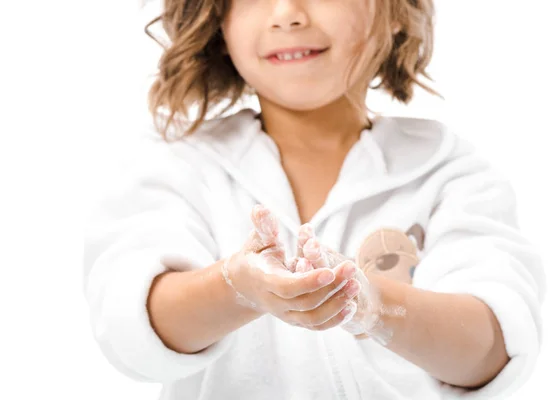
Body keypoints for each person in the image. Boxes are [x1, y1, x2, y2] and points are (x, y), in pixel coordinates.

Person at [82, 0, 546, 398]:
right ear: (217, 22)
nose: (287, 14)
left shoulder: (448, 173)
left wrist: (374, 306)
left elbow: (492, 349)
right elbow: (129, 323)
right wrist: (237, 288)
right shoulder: (178, 165)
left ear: (395, 12)